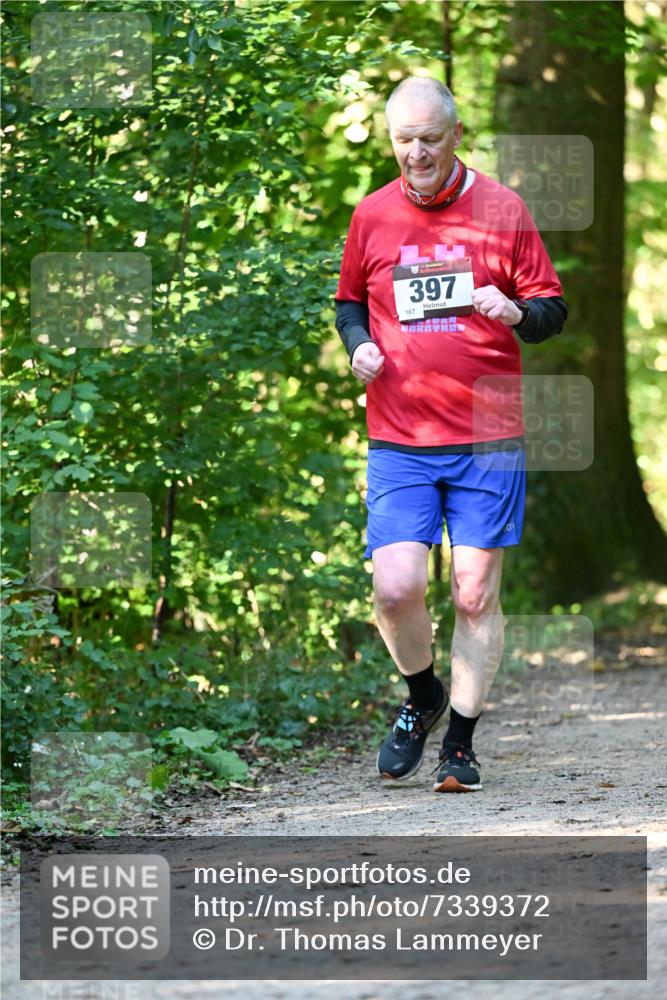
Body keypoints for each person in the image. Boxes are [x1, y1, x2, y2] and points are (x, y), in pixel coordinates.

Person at [335, 76, 566, 793]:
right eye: (404, 140)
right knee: (395, 588)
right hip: (399, 435)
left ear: (455, 135)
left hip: (486, 437)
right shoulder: (372, 214)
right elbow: (349, 303)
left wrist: (516, 312)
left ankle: (459, 744)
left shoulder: (503, 209)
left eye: (429, 139)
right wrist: (357, 345)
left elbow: (551, 310)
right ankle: (424, 695)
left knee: (473, 595)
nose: (416, 153)